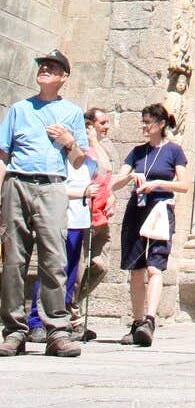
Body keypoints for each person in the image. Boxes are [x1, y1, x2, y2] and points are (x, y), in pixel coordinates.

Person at [0, 49, 88, 358]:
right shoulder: (19, 109)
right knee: (13, 259)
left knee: (54, 258)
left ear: (64, 77)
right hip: (17, 181)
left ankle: (57, 331)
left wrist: (69, 141)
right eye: (42, 66)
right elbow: (3, 155)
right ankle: (13, 331)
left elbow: (78, 161)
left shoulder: (72, 113)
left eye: (52, 67)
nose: (45, 70)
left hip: (52, 185)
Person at [111, 103, 189, 347]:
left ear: (161, 124)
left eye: (148, 122)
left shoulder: (174, 151)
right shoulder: (136, 152)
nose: (144, 126)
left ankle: (150, 320)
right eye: (143, 122)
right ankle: (136, 323)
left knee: (155, 267)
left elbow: (184, 185)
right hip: (137, 210)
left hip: (160, 211)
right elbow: (114, 183)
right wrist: (129, 176)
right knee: (136, 270)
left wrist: (156, 184)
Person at [26, 150, 96, 342]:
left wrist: (95, 144)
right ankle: (36, 321)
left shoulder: (88, 160)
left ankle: (60, 320)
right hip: (61, 219)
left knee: (70, 276)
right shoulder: (59, 157)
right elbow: (54, 188)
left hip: (79, 221)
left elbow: (104, 170)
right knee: (51, 270)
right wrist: (83, 193)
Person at [75, 107, 115, 340]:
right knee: (78, 268)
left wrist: (111, 194)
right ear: (89, 125)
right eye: (102, 122)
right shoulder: (83, 148)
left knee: (100, 265)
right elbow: (102, 168)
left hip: (101, 217)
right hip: (85, 214)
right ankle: (72, 315)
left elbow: (108, 176)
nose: (107, 126)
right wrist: (91, 139)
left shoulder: (102, 147)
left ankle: (73, 306)